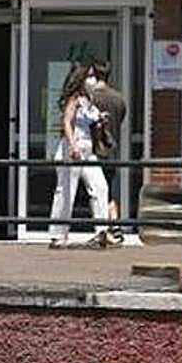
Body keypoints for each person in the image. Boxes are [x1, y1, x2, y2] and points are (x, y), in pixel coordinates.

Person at [49, 63, 113, 249]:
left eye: (94, 76)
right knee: (66, 191)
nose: (92, 80)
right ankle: (58, 235)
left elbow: (91, 121)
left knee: (100, 186)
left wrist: (101, 119)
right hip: (73, 149)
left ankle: (101, 231)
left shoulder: (89, 100)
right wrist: (73, 144)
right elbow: (67, 122)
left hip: (88, 149)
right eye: (89, 76)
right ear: (81, 78)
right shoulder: (74, 98)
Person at [88, 61, 127, 245]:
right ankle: (114, 224)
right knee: (109, 190)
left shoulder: (91, 98)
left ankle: (102, 230)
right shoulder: (118, 99)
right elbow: (120, 120)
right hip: (111, 150)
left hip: (94, 150)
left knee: (96, 191)